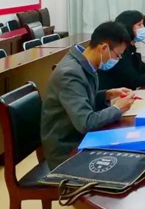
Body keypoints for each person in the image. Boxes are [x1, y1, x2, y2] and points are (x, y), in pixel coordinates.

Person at [40, 21, 137, 169]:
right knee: (126, 163)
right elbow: (86, 122)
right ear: (103, 48)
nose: (117, 60)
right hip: (66, 150)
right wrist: (117, 109)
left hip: (80, 138)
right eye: (117, 56)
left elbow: (82, 98)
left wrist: (106, 94)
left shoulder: (85, 62)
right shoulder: (70, 73)